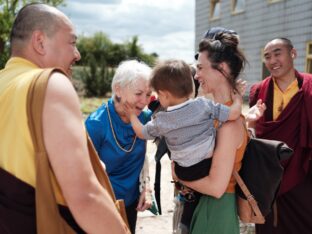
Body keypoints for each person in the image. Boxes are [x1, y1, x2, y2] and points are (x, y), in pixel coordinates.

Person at [0, 3, 129, 234]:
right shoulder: (49, 84)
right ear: (40, 42)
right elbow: (85, 196)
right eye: (72, 42)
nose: (77, 54)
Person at [174, 32, 249, 234]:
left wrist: (179, 175)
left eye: (200, 68)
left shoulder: (229, 125)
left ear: (222, 69)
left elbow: (216, 187)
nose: (196, 75)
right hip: (204, 205)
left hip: (216, 210)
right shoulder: (216, 112)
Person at [125, 59, 242, 183]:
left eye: (158, 96)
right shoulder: (203, 104)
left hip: (184, 171)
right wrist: (238, 100)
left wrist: (132, 115)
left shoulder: (162, 120)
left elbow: (142, 133)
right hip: (209, 165)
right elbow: (234, 114)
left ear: (164, 95)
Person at [249, 38, 312, 234]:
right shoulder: (258, 90)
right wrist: (250, 122)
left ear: (293, 54)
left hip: (305, 171)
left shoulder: (310, 86)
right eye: (267, 56)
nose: (272, 60)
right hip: (270, 176)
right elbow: (253, 136)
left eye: (278, 53)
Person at [85, 60, 153, 234]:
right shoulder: (96, 124)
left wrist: (147, 187)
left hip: (131, 204)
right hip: (102, 207)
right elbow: (84, 173)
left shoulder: (144, 118)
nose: (144, 101)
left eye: (148, 94)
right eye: (138, 93)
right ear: (118, 89)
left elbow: (143, 158)